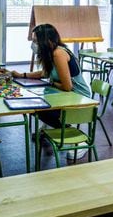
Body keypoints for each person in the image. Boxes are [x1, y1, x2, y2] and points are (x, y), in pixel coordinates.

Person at [12, 24, 91, 159]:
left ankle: (79, 140)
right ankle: (51, 127)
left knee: (40, 109)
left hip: (78, 96)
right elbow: (44, 73)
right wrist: (21, 75)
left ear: (47, 41)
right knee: (36, 107)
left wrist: (51, 83)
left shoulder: (58, 53)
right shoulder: (50, 53)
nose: (34, 44)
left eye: (36, 41)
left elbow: (67, 86)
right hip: (66, 94)